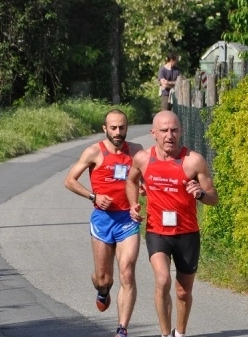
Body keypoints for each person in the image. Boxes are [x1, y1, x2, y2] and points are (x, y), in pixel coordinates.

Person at [126, 110, 218, 337]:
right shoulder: (143, 158)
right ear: (153, 133)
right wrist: (133, 204)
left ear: (181, 131)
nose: (170, 135)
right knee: (163, 279)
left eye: (174, 130)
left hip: (187, 233)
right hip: (157, 231)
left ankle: (180, 333)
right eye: (164, 131)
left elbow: (213, 198)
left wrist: (200, 194)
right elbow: (131, 180)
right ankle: (165, 334)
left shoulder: (193, 161)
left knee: (183, 292)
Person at [64, 109, 143, 337]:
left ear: (127, 128)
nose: (118, 132)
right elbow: (69, 181)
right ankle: (102, 290)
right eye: (114, 128)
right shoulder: (94, 152)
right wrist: (94, 197)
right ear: (105, 129)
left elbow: (149, 177)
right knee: (103, 278)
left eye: (122, 128)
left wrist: (143, 190)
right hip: (102, 220)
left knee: (127, 272)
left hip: (127, 220)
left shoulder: (137, 151)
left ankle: (122, 329)